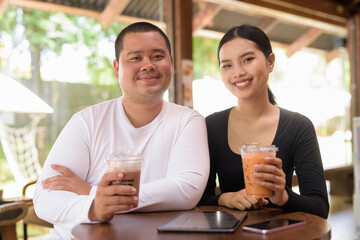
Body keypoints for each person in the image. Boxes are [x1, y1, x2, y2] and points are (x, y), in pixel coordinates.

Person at [34, 22, 210, 239]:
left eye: (157, 56)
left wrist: (93, 192)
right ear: (117, 68)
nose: (148, 65)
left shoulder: (188, 120)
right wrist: (96, 207)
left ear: (171, 63)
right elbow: (45, 196)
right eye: (136, 58)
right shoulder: (87, 121)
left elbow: (186, 190)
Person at [198, 24, 329, 219]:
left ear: (270, 62)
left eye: (247, 59)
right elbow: (199, 199)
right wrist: (225, 198)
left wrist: (283, 197)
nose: (238, 72)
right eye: (227, 65)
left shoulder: (298, 126)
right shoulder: (211, 126)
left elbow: (320, 207)